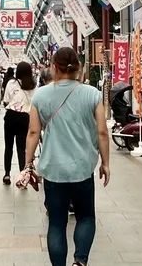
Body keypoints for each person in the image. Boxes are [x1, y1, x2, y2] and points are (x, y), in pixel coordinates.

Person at [26, 48, 110, 266]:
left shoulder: (41, 95)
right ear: (79, 69)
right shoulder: (92, 94)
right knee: (86, 217)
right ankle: (80, 260)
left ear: (54, 68)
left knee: (56, 223)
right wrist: (105, 163)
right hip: (82, 169)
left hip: (53, 171)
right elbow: (102, 131)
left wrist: (27, 164)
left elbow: (34, 132)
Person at [1, 61, 36, 185]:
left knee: (8, 146)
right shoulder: (33, 85)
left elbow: (5, 100)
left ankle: (6, 174)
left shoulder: (11, 83)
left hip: (11, 116)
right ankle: (23, 175)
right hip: (25, 118)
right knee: (22, 147)